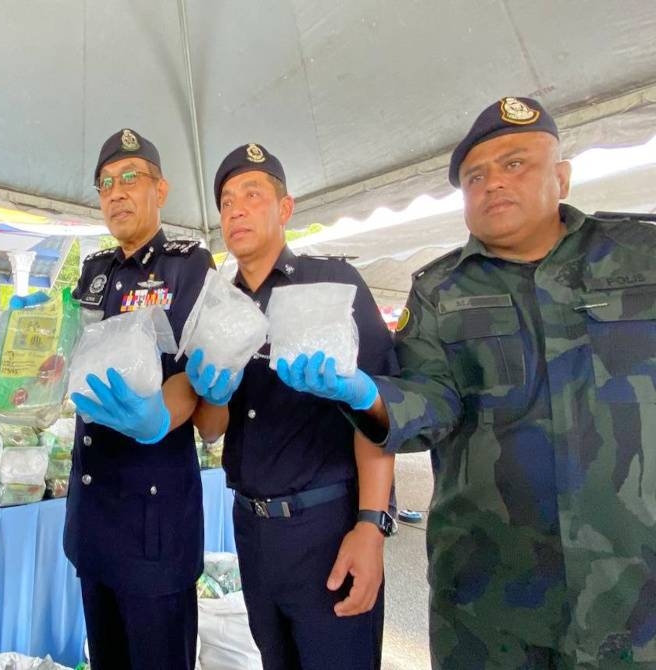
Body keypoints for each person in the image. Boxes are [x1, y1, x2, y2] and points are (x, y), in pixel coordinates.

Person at [298, 97, 656, 668]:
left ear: (560, 176)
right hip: (491, 594)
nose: (493, 184)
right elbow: (433, 401)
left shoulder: (642, 255)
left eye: (515, 164)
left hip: (636, 590)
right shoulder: (440, 290)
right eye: (475, 176)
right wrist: (366, 393)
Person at [187, 144, 396, 670]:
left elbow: (381, 412)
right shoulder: (218, 308)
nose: (235, 209)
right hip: (253, 531)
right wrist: (212, 396)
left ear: (284, 208)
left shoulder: (332, 286)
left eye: (252, 195)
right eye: (227, 200)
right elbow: (212, 430)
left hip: (325, 526)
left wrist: (371, 526)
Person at [61, 128, 213, 670]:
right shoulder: (93, 271)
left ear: (160, 189)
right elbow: (71, 359)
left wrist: (159, 418)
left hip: (155, 523)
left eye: (130, 178)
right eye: (105, 184)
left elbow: (197, 371)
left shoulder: (189, 264)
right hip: (94, 515)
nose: (117, 192)